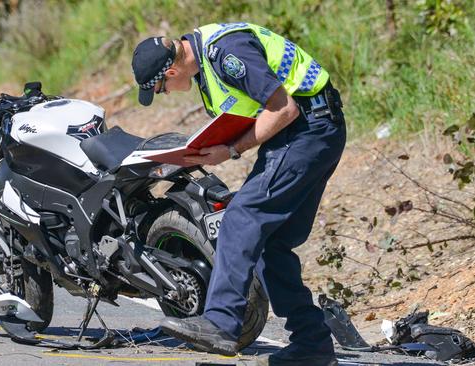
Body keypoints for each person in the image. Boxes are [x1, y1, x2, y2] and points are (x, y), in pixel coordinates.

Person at [131, 23, 346, 366]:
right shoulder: (206, 64)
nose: (166, 93)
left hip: (307, 129)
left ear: (171, 70)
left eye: (161, 88)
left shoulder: (226, 53)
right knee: (271, 243)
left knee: (240, 219)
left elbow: (283, 108)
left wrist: (231, 150)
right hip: (310, 131)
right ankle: (312, 344)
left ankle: (220, 322)